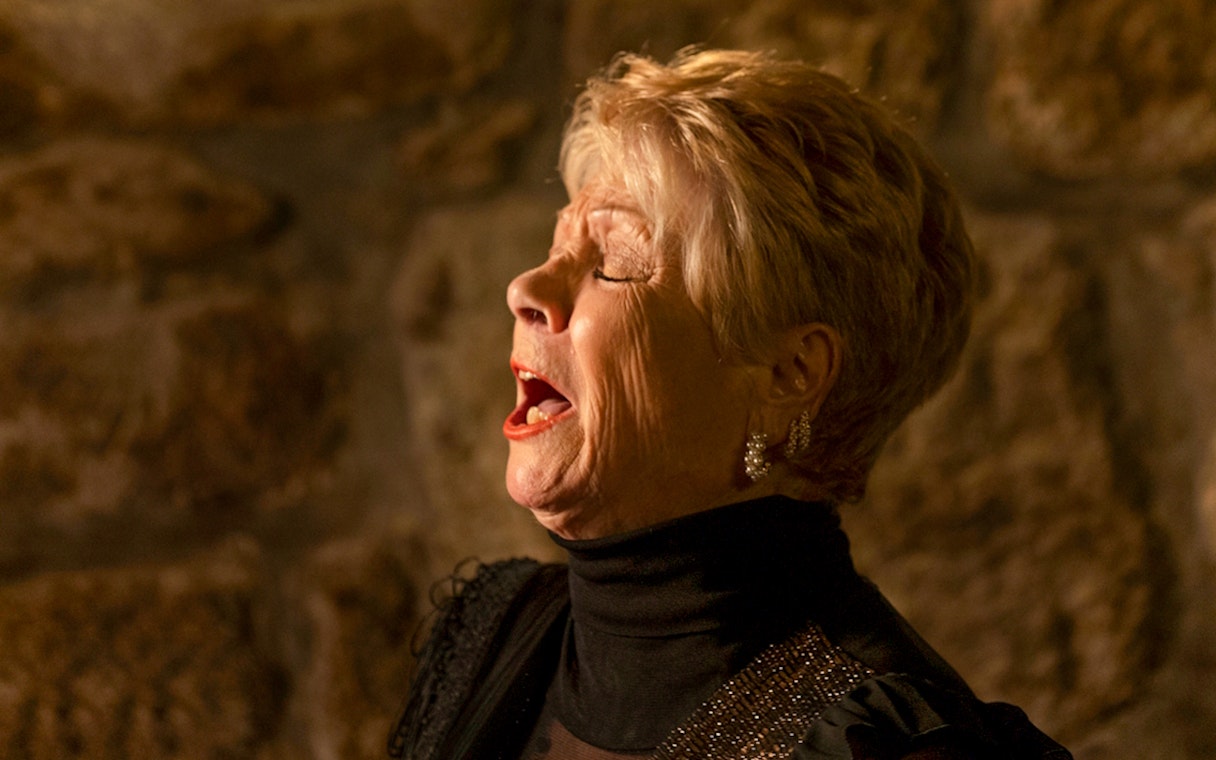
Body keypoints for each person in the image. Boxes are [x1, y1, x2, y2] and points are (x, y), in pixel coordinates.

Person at [388, 48, 1072, 760]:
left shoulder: (878, 744)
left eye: (613, 262)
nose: (525, 289)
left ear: (787, 373)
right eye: (556, 247)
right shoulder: (494, 635)